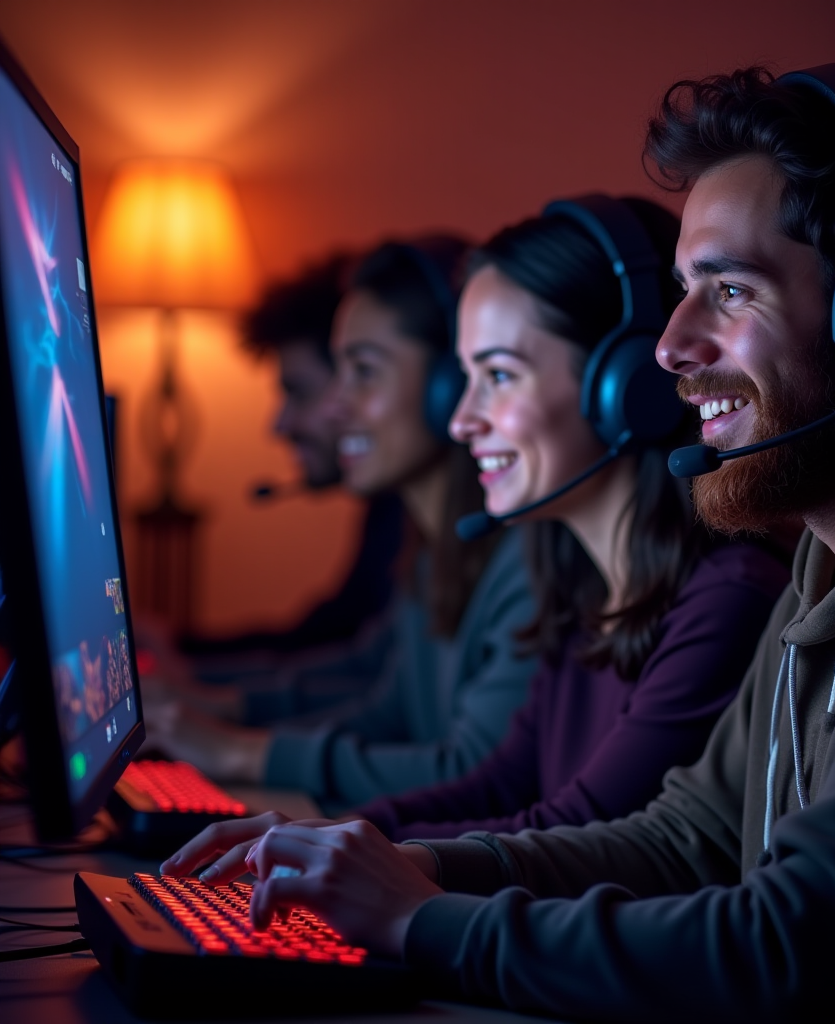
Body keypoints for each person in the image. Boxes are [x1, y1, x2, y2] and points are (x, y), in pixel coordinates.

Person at [195, 56, 835, 1022]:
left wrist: (421, 921)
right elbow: (686, 839)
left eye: (729, 290)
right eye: (680, 291)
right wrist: (409, 867)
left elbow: (793, 946)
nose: (669, 347)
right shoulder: (830, 572)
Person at [163, 196, 790, 876]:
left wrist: (386, 859)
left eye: (497, 376)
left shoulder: (727, 599)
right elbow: (499, 784)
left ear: (623, 388)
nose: (461, 422)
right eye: (466, 379)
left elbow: (583, 828)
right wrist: (323, 834)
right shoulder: (581, 583)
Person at [145, 239, 538, 809]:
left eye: (364, 372)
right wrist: (217, 713)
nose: (334, 406)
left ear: (448, 385)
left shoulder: (525, 557)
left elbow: (473, 768)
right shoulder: (428, 550)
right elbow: (385, 703)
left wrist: (240, 750)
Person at [178, 254, 404, 657]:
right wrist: (185, 654)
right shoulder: (392, 517)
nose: (278, 425)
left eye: (298, 391)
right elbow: (330, 639)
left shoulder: (418, 525)